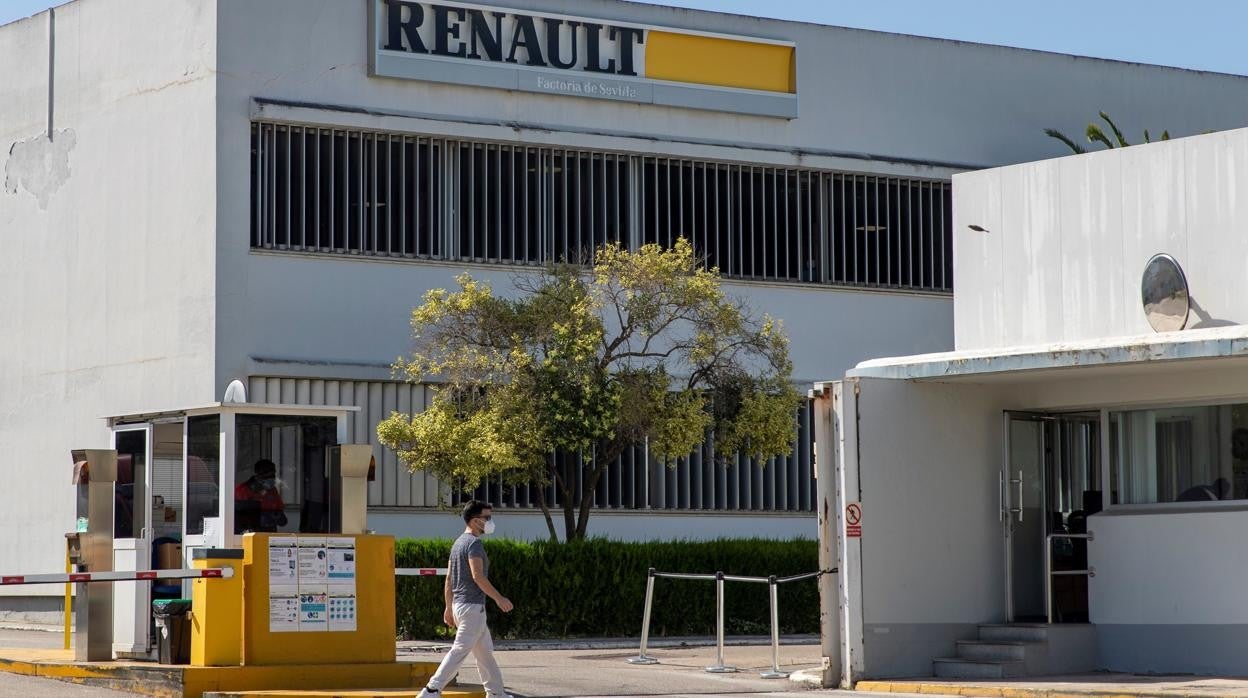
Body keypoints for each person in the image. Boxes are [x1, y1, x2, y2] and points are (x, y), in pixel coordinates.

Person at [419, 500, 513, 698]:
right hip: (472, 608)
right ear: (475, 521)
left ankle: (496, 693)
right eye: (487, 518)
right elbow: (478, 576)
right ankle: (431, 690)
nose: (490, 521)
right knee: (459, 650)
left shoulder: (458, 543)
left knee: (484, 654)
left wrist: (448, 607)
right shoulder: (474, 544)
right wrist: (499, 598)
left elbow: (449, 578)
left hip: (461, 607)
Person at [234, 459, 287, 533]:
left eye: (272, 475)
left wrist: (276, 516)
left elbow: (282, 519)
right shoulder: (242, 490)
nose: (270, 479)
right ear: (257, 475)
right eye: (267, 476)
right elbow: (237, 519)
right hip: (249, 535)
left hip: (270, 535)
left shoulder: (272, 491)